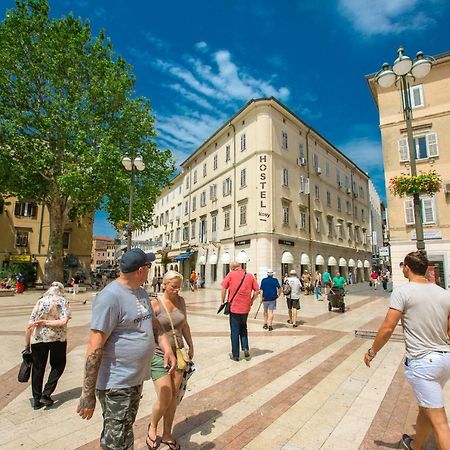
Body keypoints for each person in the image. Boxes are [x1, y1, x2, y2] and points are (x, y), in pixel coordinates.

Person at [77, 248, 176, 450]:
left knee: (124, 431)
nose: (149, 270)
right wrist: (87, 395)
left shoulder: (140, 292)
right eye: (148, 267)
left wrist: (167, 348)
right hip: (116, 384)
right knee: (116, 442)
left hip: (134, 380)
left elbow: (153, 323)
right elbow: (94, 346)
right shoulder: (110, 297)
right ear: (141, 270)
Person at [364, 251, 450, 450]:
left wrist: (372, 351)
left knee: (440, 422)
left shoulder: (403, 292)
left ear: (407, 268)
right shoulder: (443, 293)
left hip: (423, 361)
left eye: (403, 265)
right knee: (425, 409)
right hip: (444, 358)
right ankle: (416, 446)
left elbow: (387, 327)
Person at [147, 271, 194, 450]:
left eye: (178, 286)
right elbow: (147, 331)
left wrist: (191, 345)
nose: (176, 290)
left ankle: (167, 433)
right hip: (159, 354)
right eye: (173, 286)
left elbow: (185, 325)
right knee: (165, 395)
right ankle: (153, 426)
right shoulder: (155, 304)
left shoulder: (181, 301)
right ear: (164, 284)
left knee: (173, 396)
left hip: (179, 354)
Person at [25, 281, 70, 409]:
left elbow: (30, 325)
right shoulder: (63, 301)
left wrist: (26, 345)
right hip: (58, 339)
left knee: (38, 368)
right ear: (61, 290)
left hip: (38, 339)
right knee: (58, 365)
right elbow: (63, 321)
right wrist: (47, 321)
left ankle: (36, 400)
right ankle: (46, 393)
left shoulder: (40, 301)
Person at [221, 261, 259, 361]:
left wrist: (222, 301)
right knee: (243, 327)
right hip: (245, 307)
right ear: (240, 266)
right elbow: (257, 291)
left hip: (234, 307)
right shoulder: (249, 276)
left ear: (232, 268)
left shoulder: (230, 274)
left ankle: (236, 355)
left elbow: (224, 288)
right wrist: (251, 300)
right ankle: (245, 347)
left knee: (234, 330)